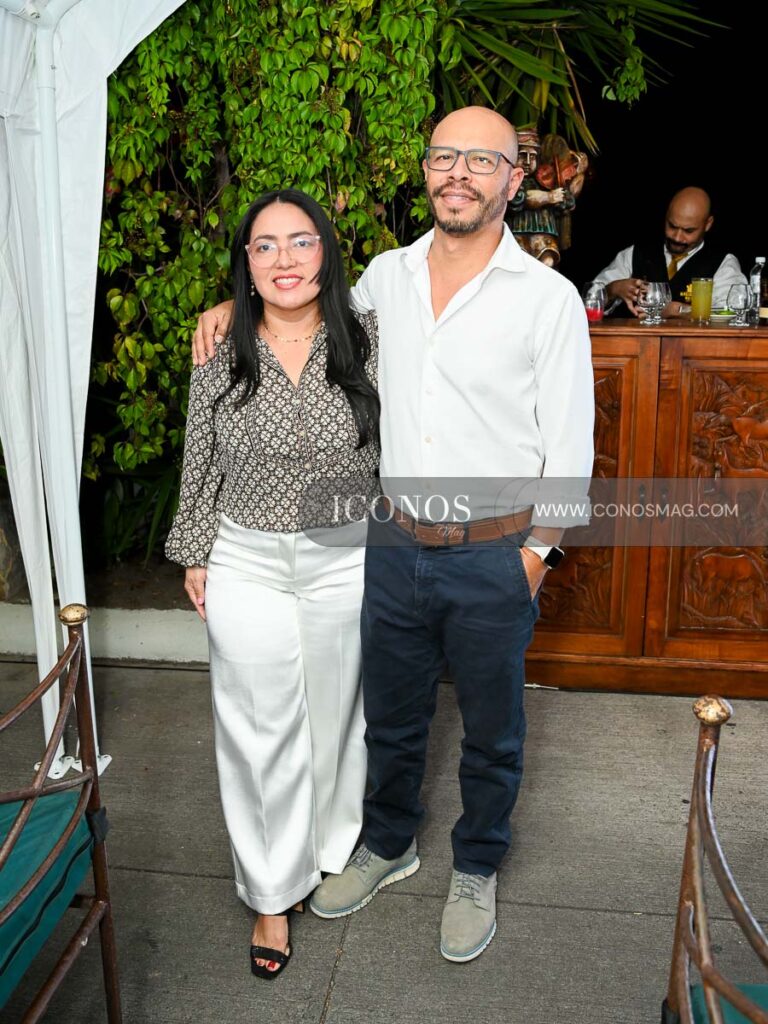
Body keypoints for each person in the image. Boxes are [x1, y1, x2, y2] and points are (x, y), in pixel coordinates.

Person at [192, 107, 595, 963]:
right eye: (445, 156)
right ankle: (387, 844)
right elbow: (301, 304)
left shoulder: (548, 299)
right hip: (391, 545)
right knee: (391, 719)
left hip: (495, 552)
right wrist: (232, 302)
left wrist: (535, 556)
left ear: (513, 179)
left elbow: (571, 447)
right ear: (426, 171)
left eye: (481, 160)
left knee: (492, 732)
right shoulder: (384, 276)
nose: (460, 174)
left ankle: (476, 866)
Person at [166, 188, 380, 979]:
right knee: (258, 726)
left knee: (335, 714)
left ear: (327, 252)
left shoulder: (369, 336)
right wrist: (195, 553)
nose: (284, 258)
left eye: (301, 241)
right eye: (265, 246)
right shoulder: (219, 348)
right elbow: (199, 458)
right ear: (246, 264)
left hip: (346, 556)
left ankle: (327, 849)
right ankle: (269, 891)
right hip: (246, 558)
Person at [593, 186, 747, 317]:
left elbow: (733, 313)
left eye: (688, 231)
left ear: (708, 224)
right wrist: (612, 290)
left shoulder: (723, 263)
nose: (677, 237)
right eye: (672, 226)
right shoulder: (635, 253)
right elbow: (588, 300)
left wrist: (679, 310)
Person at [506, 128, 588, 267]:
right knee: (517, 261)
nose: (527, 161)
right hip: (517, 231)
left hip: (545, 233)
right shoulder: (513, 182)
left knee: (547, 261)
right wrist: (548, 197)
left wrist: (578, 175)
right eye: (522, 155)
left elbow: (566, 201)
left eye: (532, 157)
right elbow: (519, 198)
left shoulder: (546, 180)